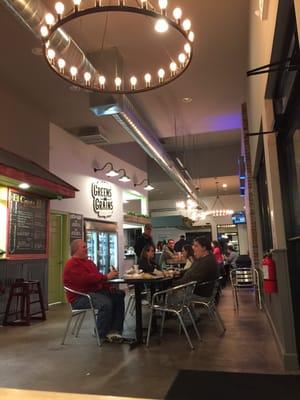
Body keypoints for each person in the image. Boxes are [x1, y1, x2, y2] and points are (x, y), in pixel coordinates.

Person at [63, 239, 125, 343]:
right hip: (80, 298)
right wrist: (106, 277)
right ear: (76, 250)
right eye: (84, 247)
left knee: (118, 295)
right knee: (106, 303)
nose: (87, 249)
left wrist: (108, 287)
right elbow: (86, 279)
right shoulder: (72, 264)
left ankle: (115, 330)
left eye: (86, 247)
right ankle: (101, 333)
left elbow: (96, 278)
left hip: (93, 293)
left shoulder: (89, 262)